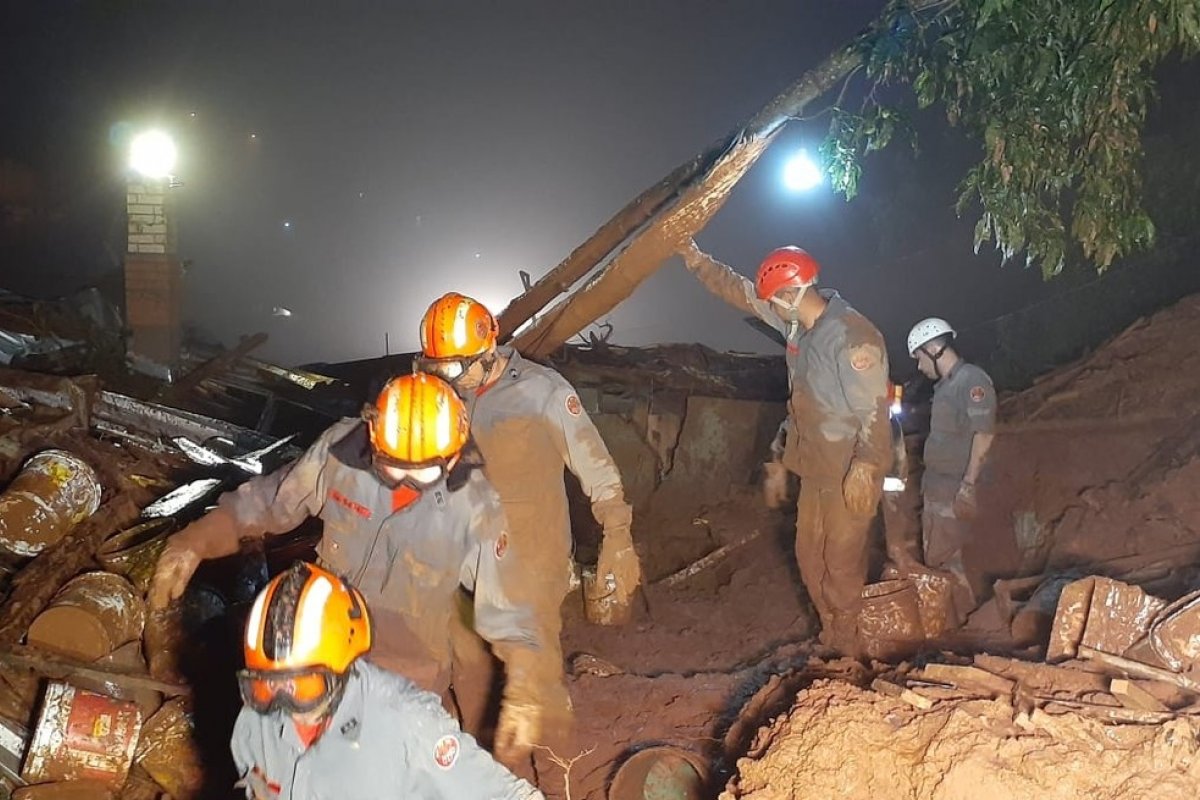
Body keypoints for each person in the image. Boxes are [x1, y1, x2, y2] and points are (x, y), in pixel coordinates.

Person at [150, 372, 548, 763]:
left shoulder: (476, 508)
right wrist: (195, 541)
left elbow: (511, 604)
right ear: (373, 437)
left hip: (407, 665)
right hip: (317, 645)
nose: (408, 479)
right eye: (393, 466)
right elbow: (268, 504)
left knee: (383, 769)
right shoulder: (341, 451)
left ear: (456, 452)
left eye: (425, 471)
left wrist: (525, 689)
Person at [416, 291, 641, 741]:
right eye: (439, 369)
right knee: (470, 670)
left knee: (534, 682)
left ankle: (553, 768)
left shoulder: (543, 391)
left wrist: (617, 532)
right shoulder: (445, 396)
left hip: (531, 564)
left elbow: (594, 464)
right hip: (462, 560)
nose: (450, 380)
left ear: (488, 350)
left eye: (457, 368)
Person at [678, 240, 891, 654]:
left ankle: (851, 652)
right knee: (810, 559)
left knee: (841, 567)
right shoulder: (798, 327)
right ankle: (833, 637)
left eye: (774, 301)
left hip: (849, 471)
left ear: (792, 295)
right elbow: (740, 291)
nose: (769, 308)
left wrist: (867, 465)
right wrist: (696, 259)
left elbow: (875, 410)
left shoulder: (852, 335)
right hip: (814, 470)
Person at [231, 561, 544, 799]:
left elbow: (499, 793)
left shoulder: (406, 722)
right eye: (265, 685)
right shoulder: (253, 724)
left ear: (343, 669)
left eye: (303, 686)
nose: (283, 703)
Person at [906, 317, 996, 623]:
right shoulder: (946, 386)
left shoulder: (971, 380)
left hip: (953, 486)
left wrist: (968, 485)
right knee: (939, 556)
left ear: (933, 348)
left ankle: (963, 623)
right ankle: (959, 620)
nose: (919, 366)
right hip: (938, 485)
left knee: (946, 561)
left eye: (919, 357)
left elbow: (983, 435)